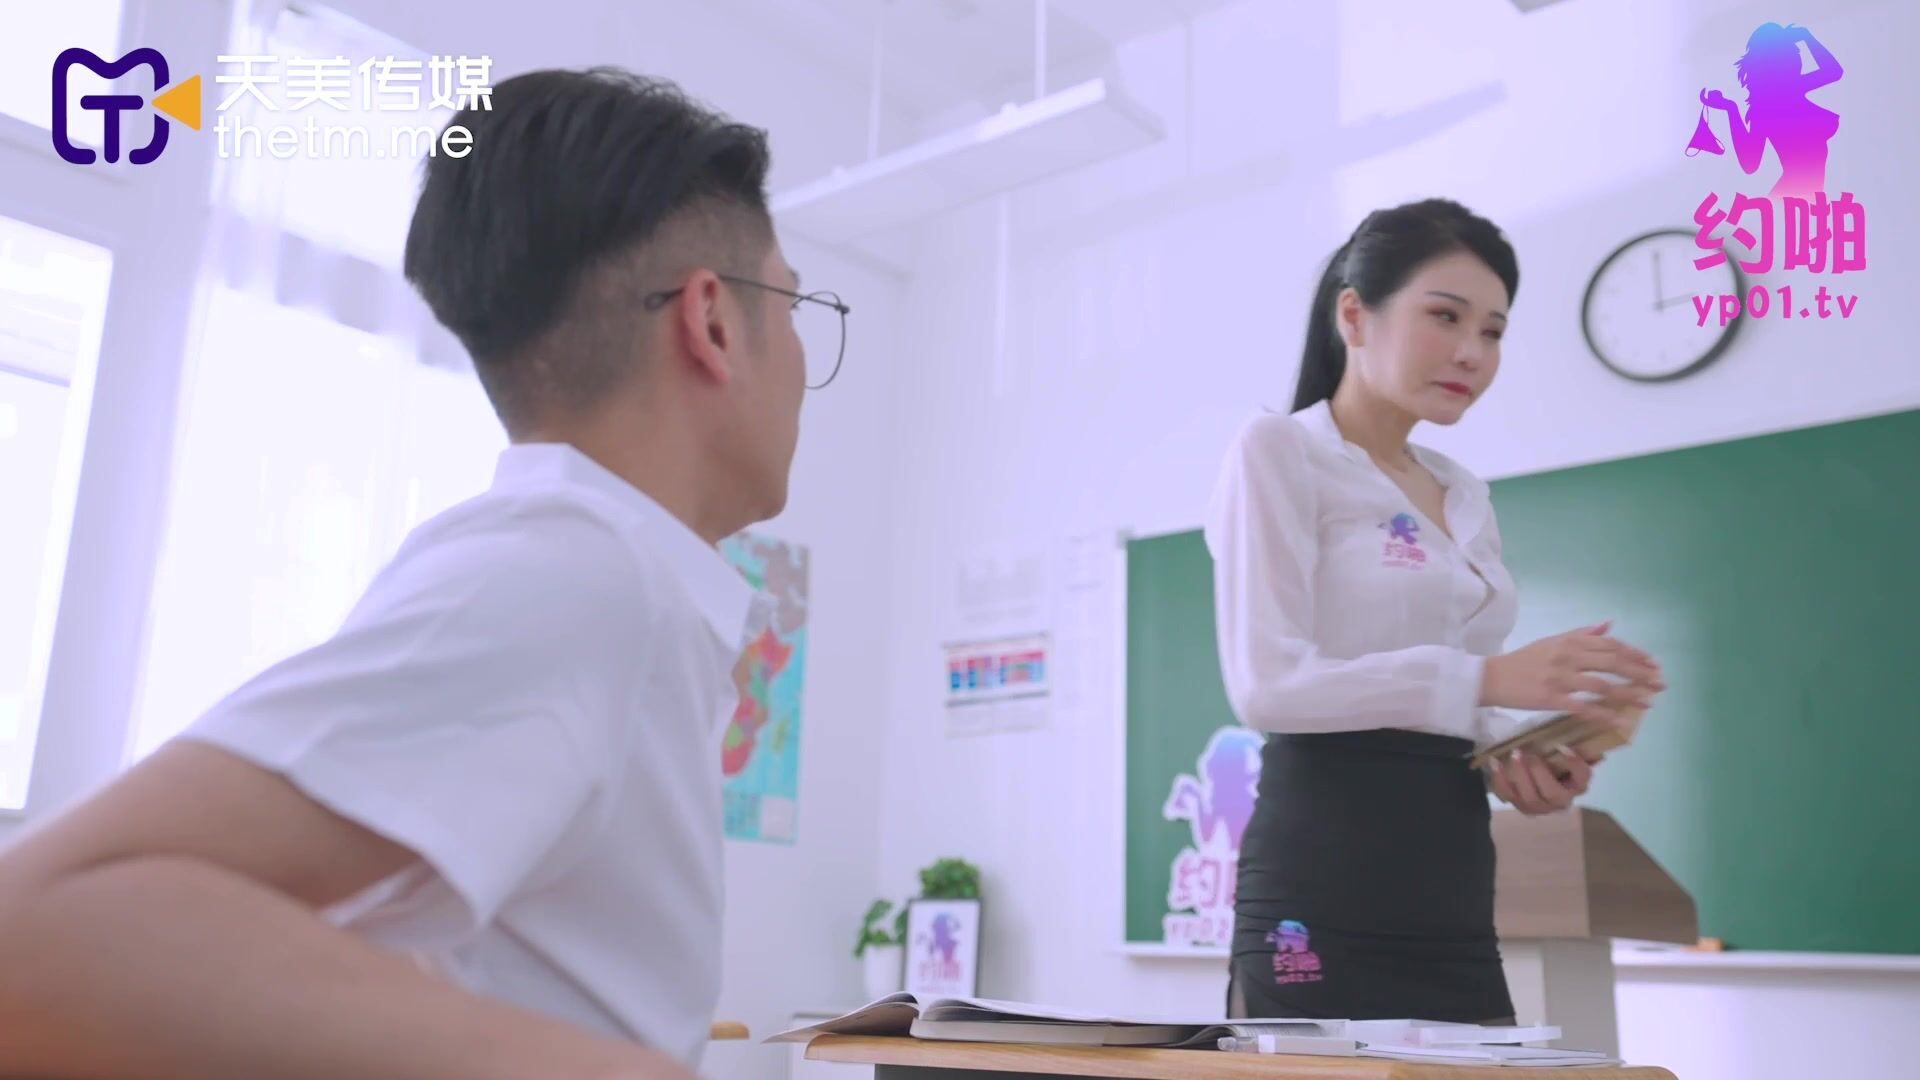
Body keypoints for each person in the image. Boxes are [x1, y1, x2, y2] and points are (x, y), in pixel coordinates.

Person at [0, 67, 848, 1079]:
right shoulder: (579, 574)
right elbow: (34, 928)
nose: (804, 359)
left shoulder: (596, 576)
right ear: (711, 322)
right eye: (794, 305)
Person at [1206, 198, 1665, 1025]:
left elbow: (1452, 696)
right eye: (1445, 317)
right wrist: (1489, 679)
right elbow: (1267, 686)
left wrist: (1519, 753)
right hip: (1322, 872)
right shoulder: (1280, 449)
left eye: (1493, 331)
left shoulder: (1462, 491)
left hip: (1450, 873)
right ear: (1355, 315)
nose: (1471, 353)